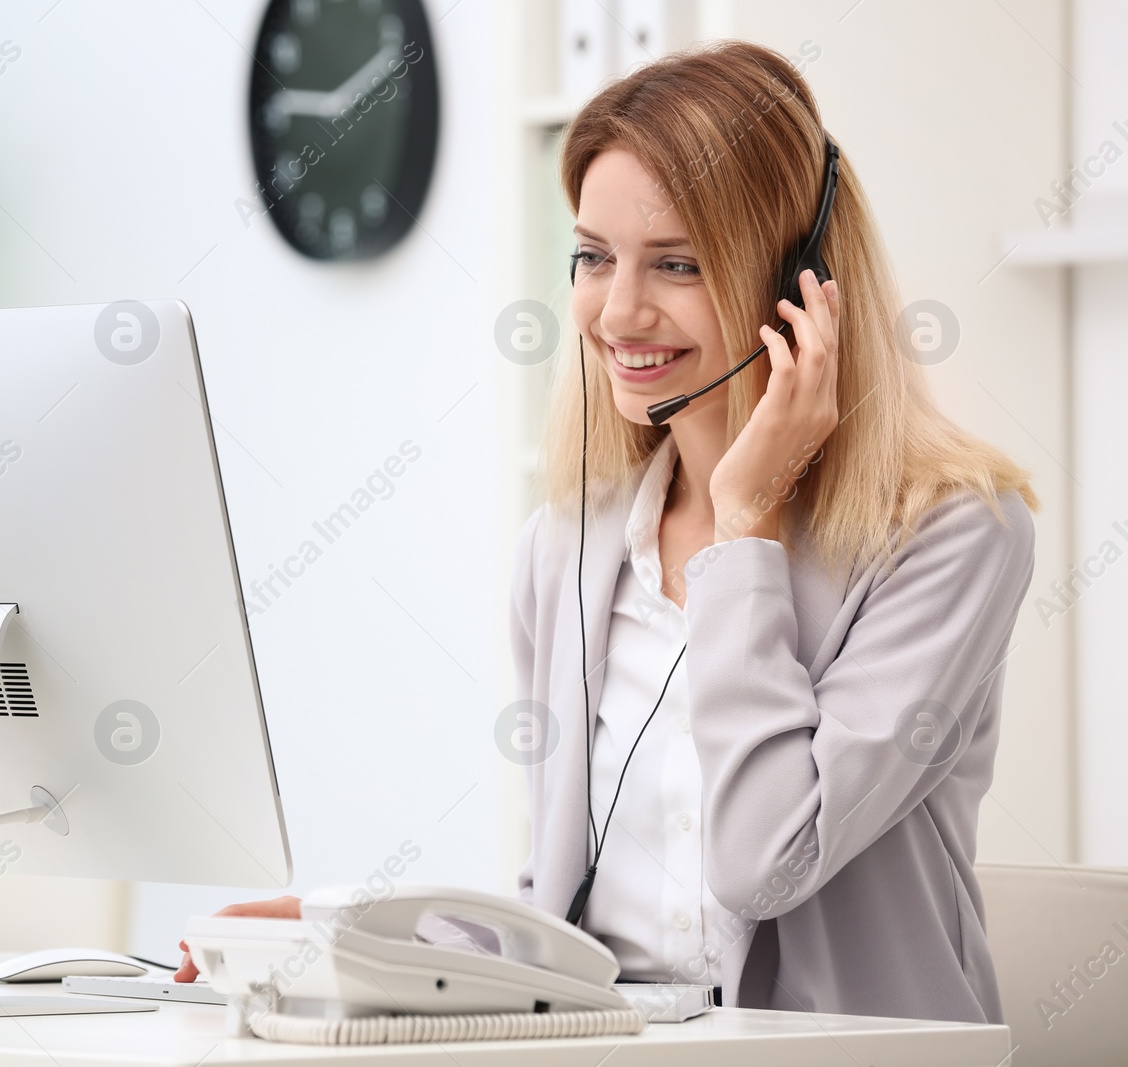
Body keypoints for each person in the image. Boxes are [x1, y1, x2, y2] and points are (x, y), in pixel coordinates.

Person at [177, 40, 1034, 1025]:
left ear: (796, 286)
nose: (617, 312)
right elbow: (579, 913)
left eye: (676, 263)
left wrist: (743, 524)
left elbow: (764, 862)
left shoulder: (952, 533)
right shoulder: (571, 543)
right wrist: (357, 932)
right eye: (592, 257)